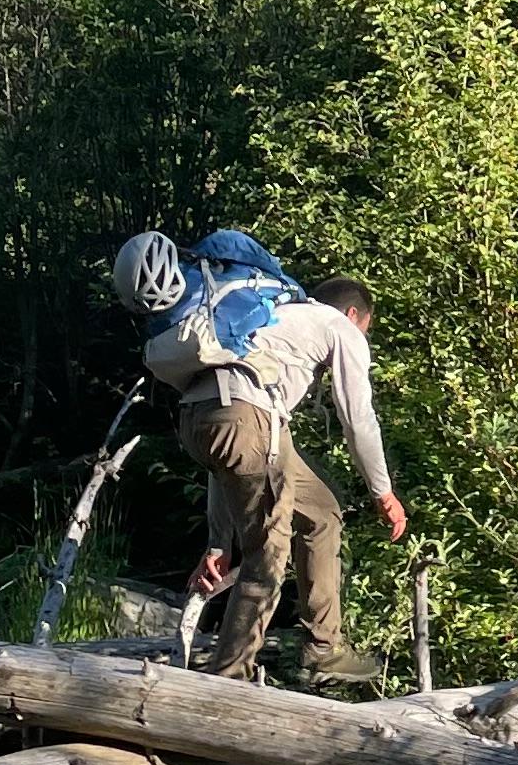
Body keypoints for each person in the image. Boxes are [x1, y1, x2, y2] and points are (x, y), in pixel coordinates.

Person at [109, 229, 406, 691]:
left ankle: (324, 647)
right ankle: (228, 682)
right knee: (268, 554)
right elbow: (358, 418)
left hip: (200, 417)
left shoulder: (264, 319)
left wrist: (215, 542)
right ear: (352, 315)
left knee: (321, 512)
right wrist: (383, 492)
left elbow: (228, 455)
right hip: (249, 417)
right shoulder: (338, 326)